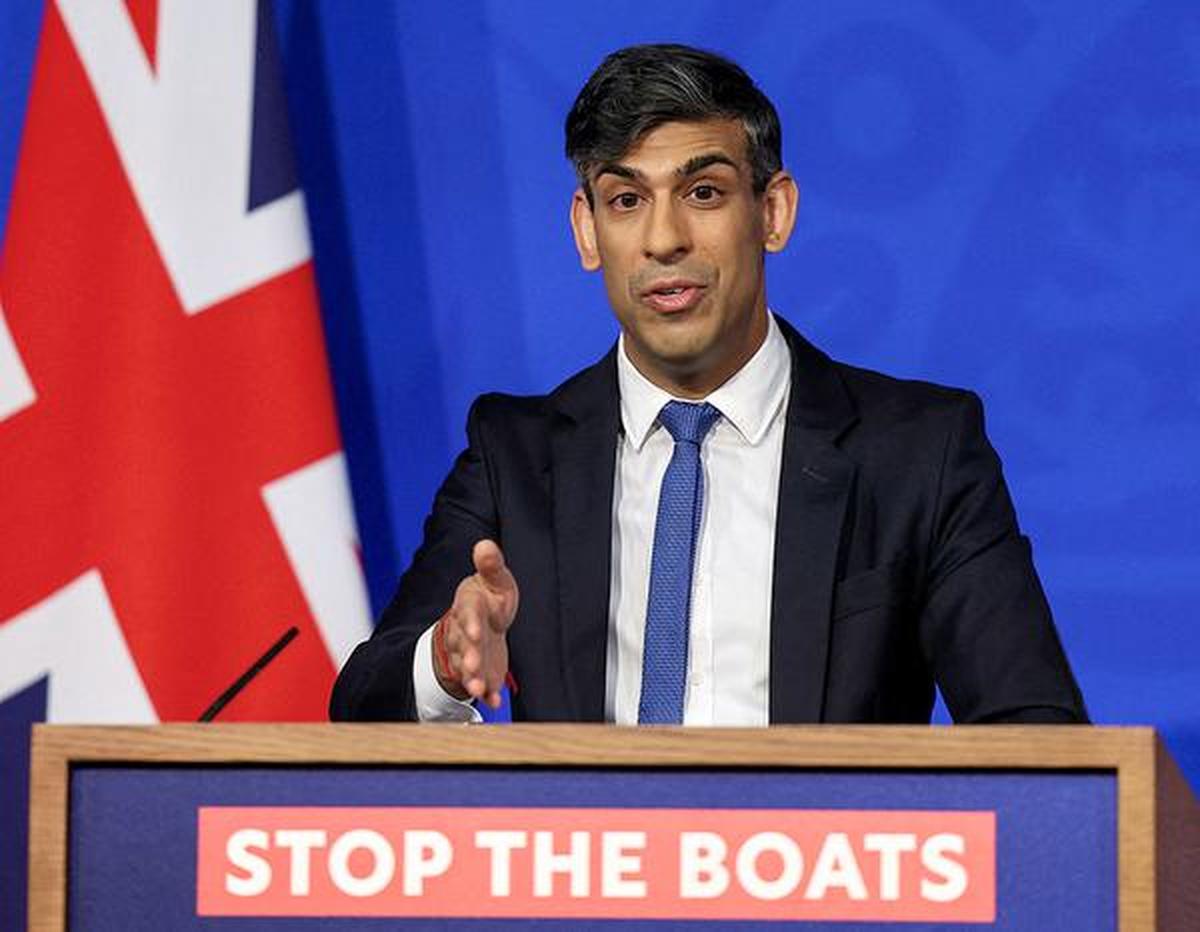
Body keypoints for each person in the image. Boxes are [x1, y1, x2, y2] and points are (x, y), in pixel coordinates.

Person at [330, 43, 1087, 726]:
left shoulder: (919, 452)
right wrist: (445, 662)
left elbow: (1037, 732)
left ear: (773, 212)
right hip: (590, 877)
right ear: (588, 230)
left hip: (818, 870)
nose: (664, 240)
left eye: (703, 193)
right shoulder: (515, 456)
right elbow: (362, 704)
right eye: (627, 200)